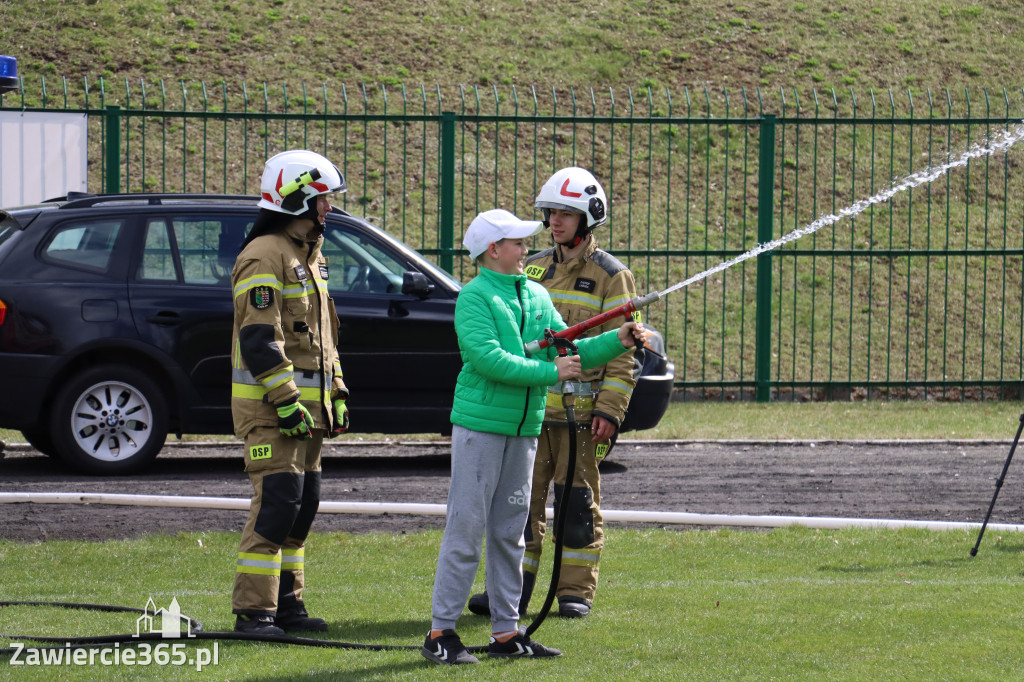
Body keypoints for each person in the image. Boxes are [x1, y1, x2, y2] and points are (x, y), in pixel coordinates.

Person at [422, 208, 646, 665]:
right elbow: (490, 360)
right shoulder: (475, 297)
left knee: (510, 533)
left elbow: (572, 348)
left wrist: (618, 340)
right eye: (519, 243)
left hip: (524, 430)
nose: (529, 248)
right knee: (466, 530)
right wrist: (551, 371)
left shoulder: (536, 293)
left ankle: (506, 632)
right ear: (493, 251)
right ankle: (441, 632)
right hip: (481, 428)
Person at [468, 167, 639, 620]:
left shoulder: (612, 276)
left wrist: (611, 410)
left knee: (576, 506)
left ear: (588, 219)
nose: (554, 222)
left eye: (566, 213)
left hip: (582, 417)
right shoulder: (533, 267)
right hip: (534, 410)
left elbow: (622, 352)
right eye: (550, 213)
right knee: (517, 508)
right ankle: (511, 593)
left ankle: (574, 592)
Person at [229, 149, 351, 635]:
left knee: (303, 504)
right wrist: (285, 401)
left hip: (308, 412)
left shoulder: (309, 255)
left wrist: (336, 390)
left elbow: (323, 336)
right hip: (272, 410)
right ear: (298, 198)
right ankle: (253, 612)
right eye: (323, 199)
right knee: (277, 502)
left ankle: (288, 607)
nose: (329, 209)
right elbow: (260, 340)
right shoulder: (264, 254)